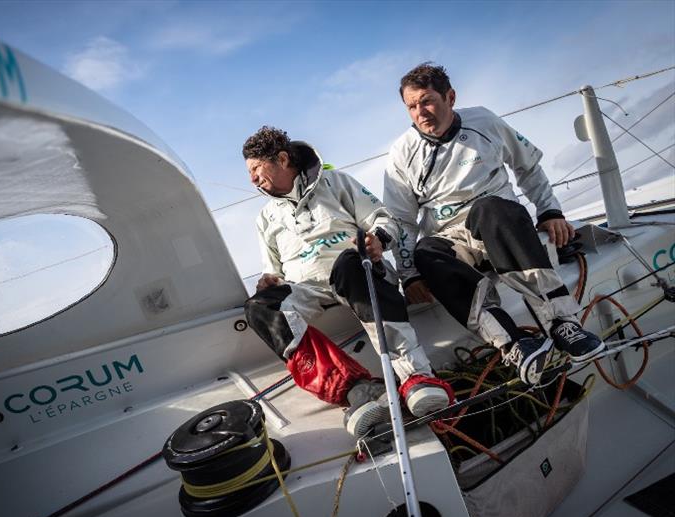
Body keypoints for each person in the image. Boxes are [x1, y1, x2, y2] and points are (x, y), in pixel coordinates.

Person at [383, 63, 605, 386]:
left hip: (498, 223)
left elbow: (527, 167)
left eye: (427, 101)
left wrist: (550, 211)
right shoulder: (402, 153)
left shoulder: (484, 122)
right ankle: (513, 344)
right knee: (426, 252)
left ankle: (562, 323)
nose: (421, 112)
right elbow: (402, 220)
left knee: (491, 208)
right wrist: (409, 273)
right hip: (451, 237)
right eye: (412, 106)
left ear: (450, 97)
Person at [242, 126, 452, 438]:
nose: (253, 180)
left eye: (257, 169)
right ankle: (358, 390)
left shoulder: (337, 183)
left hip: (356, 271)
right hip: (307, 287)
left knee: (350, 262)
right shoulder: (265, 218)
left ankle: (416, 378)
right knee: (259, 308)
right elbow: (274, 272)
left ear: (283, 159)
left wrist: (378, 240)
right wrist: (270, 281)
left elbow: (386, 220)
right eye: (249, 173)